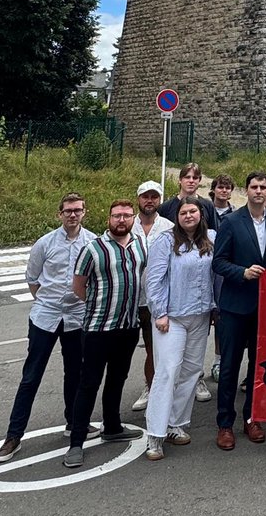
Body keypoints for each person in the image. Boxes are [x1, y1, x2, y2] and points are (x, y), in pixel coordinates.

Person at [0, 194, 98, 463]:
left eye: (77, 210)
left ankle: (74, 423)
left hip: (77, 316)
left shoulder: (93, 243)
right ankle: (14, 435)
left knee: (74, 373)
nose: (72, 215)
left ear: (84, 213)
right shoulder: (45, 243)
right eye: (68, 211)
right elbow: (32, 279)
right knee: (31, 376)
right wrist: (47, 301)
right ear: (59, 214)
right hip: (46, 315)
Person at [63, 201, 147, 468]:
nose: (121, 220)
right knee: (88, 383)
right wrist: (100, 304)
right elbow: (78, 286)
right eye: (116, 216)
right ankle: (76, 442)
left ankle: (112, 426)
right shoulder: (93, 249)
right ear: (109, 218)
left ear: (133, 218)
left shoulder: (139, 245)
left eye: (126, 215)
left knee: (117, 379)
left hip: (128, 327)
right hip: (99, 328)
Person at [211, 171, 266, 451]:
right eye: (254, 187)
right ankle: (225, 424)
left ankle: (252, 418)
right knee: (230, 367)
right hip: (235, 305)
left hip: (265, 307)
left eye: (263, 187)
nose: (258, 191)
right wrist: (241, 272)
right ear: (246, 191)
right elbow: (218, 262)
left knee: (258, 368)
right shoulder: (231, 222)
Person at [143, 198, 217, 460]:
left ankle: (176, 422)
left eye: (193, 211)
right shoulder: (165, 241)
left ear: (201, 214)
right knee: (167, 370)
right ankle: (155, 433)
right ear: (177, 216)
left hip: (200, 315)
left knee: (191, 371)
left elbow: (214, 275)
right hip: (171, 317)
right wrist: (159, 312)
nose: (188, 216)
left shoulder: (210, 238)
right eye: (184, 212)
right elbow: (154, 279)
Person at [130, 181, 175, 413]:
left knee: (153, 348)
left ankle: (152, 387)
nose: (150, 201)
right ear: (138, 199)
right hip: (128, 297)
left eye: (154, 197)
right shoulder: (128, 224)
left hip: (154, 298)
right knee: (123, 350)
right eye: (145, 197)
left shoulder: (168, 226)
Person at [207, 175, 235, 383]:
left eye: (227, 188)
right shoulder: (206, 212)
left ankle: (218, 360)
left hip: (223, 271)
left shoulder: (234, 214)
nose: (224, 191)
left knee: (220, 317)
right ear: (213, 189)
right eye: (220, 187)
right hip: (204, 266)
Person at [160, 162, 216, 230]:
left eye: (195, 178)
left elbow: (214, 233)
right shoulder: (166, 207)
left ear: (199, 181)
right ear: (180, 180)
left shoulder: (208, 206)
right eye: (187, 177)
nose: (191, 181)